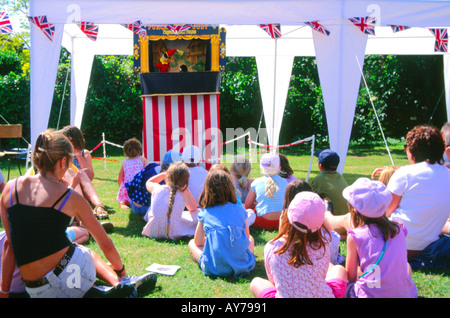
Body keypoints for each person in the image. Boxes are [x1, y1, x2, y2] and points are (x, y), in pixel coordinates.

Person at [0, 129, 155, 298]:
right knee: (85, 252)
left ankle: (96, 289)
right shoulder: (69, 197)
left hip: (35, 290)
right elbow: (105, 243)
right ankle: (121, 283)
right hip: (67, 275)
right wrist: (122, 270)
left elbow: (9, 246)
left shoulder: (10, 189)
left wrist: (4, 292)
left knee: (72, 252)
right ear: (62, 162)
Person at [249, 191, 347, 298]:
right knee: (339, 269)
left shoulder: (272, 247)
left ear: (287, 215)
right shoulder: (322, 247)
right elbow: (321, 278)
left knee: (256, 282)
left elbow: (274, 281)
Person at [386, 125, 450, 269]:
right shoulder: (447, 174)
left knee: (348, 220)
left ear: (412, 150)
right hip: (430, 247)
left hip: (397, 246)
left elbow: (384, 212)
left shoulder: (405, 174)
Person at [343, 177, 417, 298]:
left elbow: (351, 277)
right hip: (406, 295)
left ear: (355, 210)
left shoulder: (355, 236)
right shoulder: (399, 229)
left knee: (343, 278)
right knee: (407, 266)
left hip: (369, 294)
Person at [188, 169, 255, 278]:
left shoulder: (205, 212)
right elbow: (246, 237)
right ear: (230, 188)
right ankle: (245, 259)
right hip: (242, 266)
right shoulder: (240, 209)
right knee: (251, 238)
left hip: (214, 268)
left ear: (208, 189)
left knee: (191, 243)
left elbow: (198, 241)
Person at [278, 179, 345, 265]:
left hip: (298, 254)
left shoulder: (285, 215)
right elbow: (329, 232)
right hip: (320, 253)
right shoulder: (315, 210)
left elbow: (281, 236)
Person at [59, 125, 109, 220]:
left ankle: (99, 205)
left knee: (80, 172)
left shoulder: (84, 153)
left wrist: (78, 154)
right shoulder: (61, 154)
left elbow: (89, 177)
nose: (71, 144)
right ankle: (86, 209)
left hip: (83, 188)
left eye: (73, 141)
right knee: (74, 173)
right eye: (68, 141)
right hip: (68, 187)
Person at [142, 162, 198, 240]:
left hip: (153, 230)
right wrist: (186, 190)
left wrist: (163, 174)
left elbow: (149, 182)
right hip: (174, 231)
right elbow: (193, 208)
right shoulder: (183, 193)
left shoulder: (157, 188)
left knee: (151, 209)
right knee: (198, 212)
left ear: (168, 176)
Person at [311, 149, 349, 239]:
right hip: (347, 223)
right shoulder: (340, 177)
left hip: (333, 224)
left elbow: (312, 203)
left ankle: (335, 235)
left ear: (320, 166)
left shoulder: (317, 180)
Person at [245, 152, 288, 230]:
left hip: (262, 222)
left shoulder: (256, 182)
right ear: (280, 168)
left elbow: (248, 206)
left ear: (261, 167)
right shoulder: (285, 183)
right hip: (282, 222)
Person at [117, 138, 148, 210]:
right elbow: (147, 172)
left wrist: (121, 188)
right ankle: (135, 202)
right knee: (140, 198)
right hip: (139, 186)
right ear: (140, 150)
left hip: (127, 187)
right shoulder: (142, 159)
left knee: (126, 198)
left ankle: (124, 201)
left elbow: (120, 177)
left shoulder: (125, 162)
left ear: (125, 151)